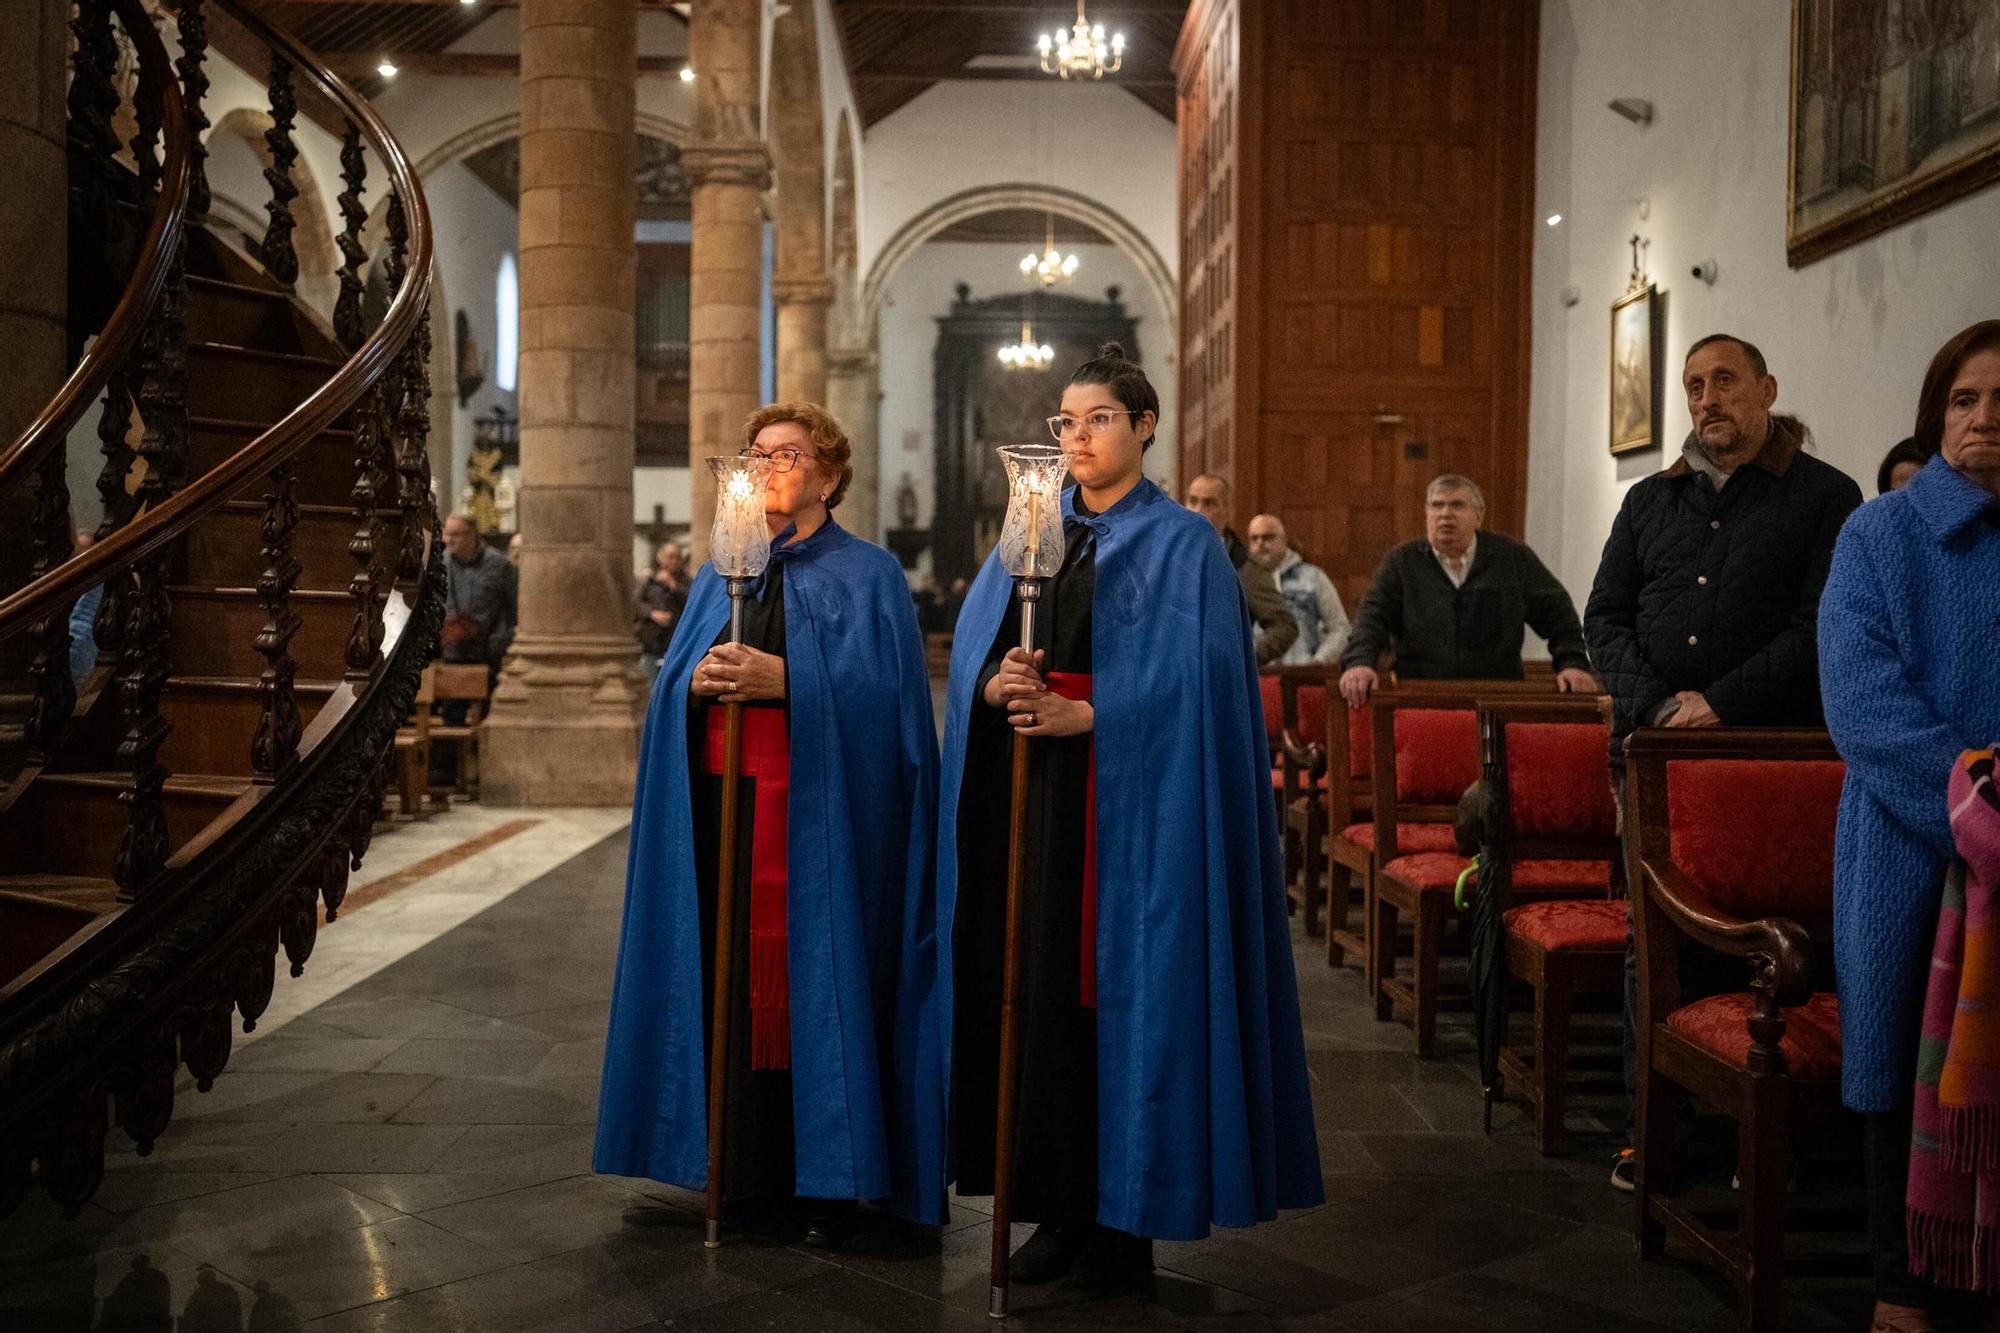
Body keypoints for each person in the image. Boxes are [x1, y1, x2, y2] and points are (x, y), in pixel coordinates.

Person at [938, 343, 1322, 1287]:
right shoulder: (1030, 530)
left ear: (1144, 426)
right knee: (1040, 997)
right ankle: (1057, 1210)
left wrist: (1095, 711)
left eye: (1098, 419)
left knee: (1125, 1002)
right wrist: (998, 687)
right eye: (1065, 423)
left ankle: (1127, 1221)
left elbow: (1206, 686)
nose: (1077, 437)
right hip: (1042, 803)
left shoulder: (1184, 542)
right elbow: (977, 655)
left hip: (1139, 812)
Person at [596, 402, 946, 1242]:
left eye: (788, 454)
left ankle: (827, 1176)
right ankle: (736, 1164)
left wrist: (789, 682)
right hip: (724, 812)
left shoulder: (867, 575)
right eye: (756, 455)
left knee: (808, 988)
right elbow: (672, 681)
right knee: (722, 977)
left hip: (815, 825)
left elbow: (893, 712)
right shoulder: (725, 569)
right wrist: (695, 687)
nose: (767, 467)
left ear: (830, 475)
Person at [1584, 332, 1863, 1193]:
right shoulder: (1648, 502)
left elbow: (1820, 627)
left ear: (1767, 388)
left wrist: (1724, 704)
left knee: (1781, 935)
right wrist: (1665, 709)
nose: (1708, 399)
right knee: (1654, 942)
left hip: (1767, 757)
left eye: (1726, 381)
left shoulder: (1826, 496)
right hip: (1659, 757)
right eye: (1694, 385)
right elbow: (1605, 620)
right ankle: (1655, 1131)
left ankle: (1779, 1140)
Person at [1818, 321, 2000, 1333]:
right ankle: (1903, 1281)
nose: (1982, 422)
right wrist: (1977, 804)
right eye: (1963, 400)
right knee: (1898, 1051)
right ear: (1934, 414)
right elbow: (1861, 703)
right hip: (1908, 843)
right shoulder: (1878, 534)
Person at [1338, 475, 1594, 705]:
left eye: (1457, 505)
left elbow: (1559, 615)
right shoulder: (1402, 562)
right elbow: (1371, 618)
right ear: (1426, 513)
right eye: (1437, 505)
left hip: (1497, 697)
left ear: (1479, 515)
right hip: (1419, 697)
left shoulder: (1511, 558)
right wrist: (1359, 663)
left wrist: (1572, 664)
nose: (1445, 514)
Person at [1183, 473, 1298, 663]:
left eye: (1209, 503)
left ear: (1226, 512)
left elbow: (1284, 627)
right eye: (1192, 501)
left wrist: (1244, 655)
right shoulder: (1167, 555)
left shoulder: (1245, 568)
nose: (1198, 511)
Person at [1245, 513, 1350, 666]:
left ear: (1284, 540)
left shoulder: (1313, 577)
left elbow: (1340, 628)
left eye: (1268, 537)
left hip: (1302, 675)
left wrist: (1319, 661)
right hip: (1258, 675)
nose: (1260, 543)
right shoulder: (1241, 582)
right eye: (1254, 538)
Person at [440, 513, 515, 679]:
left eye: (455, 535)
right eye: (447, 533)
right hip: (452, 652)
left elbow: (514, 606)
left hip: (489, 653)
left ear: (471, 535)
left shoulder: (499, 564)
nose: (448, 540)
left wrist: (502, 639)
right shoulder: (441, 564)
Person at [634, 541, 691, 678]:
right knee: (649, 681)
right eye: (670, 558)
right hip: (651, 643)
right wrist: (652, 614)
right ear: (661, 559)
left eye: (677, 558)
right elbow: (635, 602)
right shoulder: (649, 581)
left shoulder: (686, 581)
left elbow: (692, 601)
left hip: (675, 640)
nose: (673, 562)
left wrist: (673, 586)